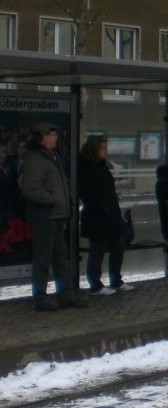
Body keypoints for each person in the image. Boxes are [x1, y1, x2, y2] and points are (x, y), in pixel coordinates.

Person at [20, 123, 85, 311]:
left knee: (61, 256)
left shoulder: (50, 157)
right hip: (45, 215)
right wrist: (53, 200)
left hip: (55, 214)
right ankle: (40, 297)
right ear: (42, 137)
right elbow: (31, 188)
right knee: (43, 256)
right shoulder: (35, 159)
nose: (56, 137)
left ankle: (66, 294)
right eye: (52, 134)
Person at [78, 135, 134, 295]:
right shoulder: (87, 168)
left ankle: (116, 280)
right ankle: (95, 284)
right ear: (93, 149)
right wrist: (104, 207)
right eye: (102, 148)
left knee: (118, 247)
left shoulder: (102, 166)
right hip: (97, 215)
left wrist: (116, 214)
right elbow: (88, 193)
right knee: (98, 250)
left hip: (110, 214)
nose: (106, 150)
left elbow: (109, 192)